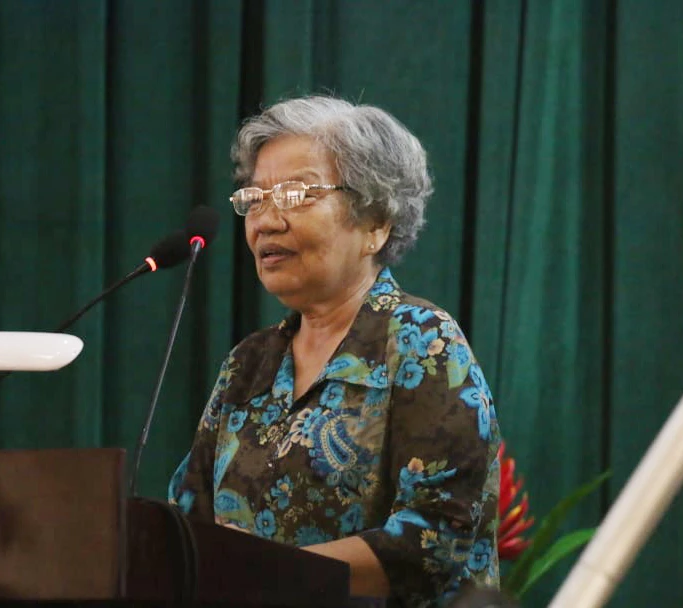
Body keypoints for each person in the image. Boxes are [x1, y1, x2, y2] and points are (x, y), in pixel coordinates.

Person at [169, 96, 501, 608]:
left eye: (296, 194)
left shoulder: (422, 342)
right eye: (255, 199)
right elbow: (189, 520)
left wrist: (264, 575)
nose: (265, 221)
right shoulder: (248, 363)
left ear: (376, 224)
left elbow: (432, 544)